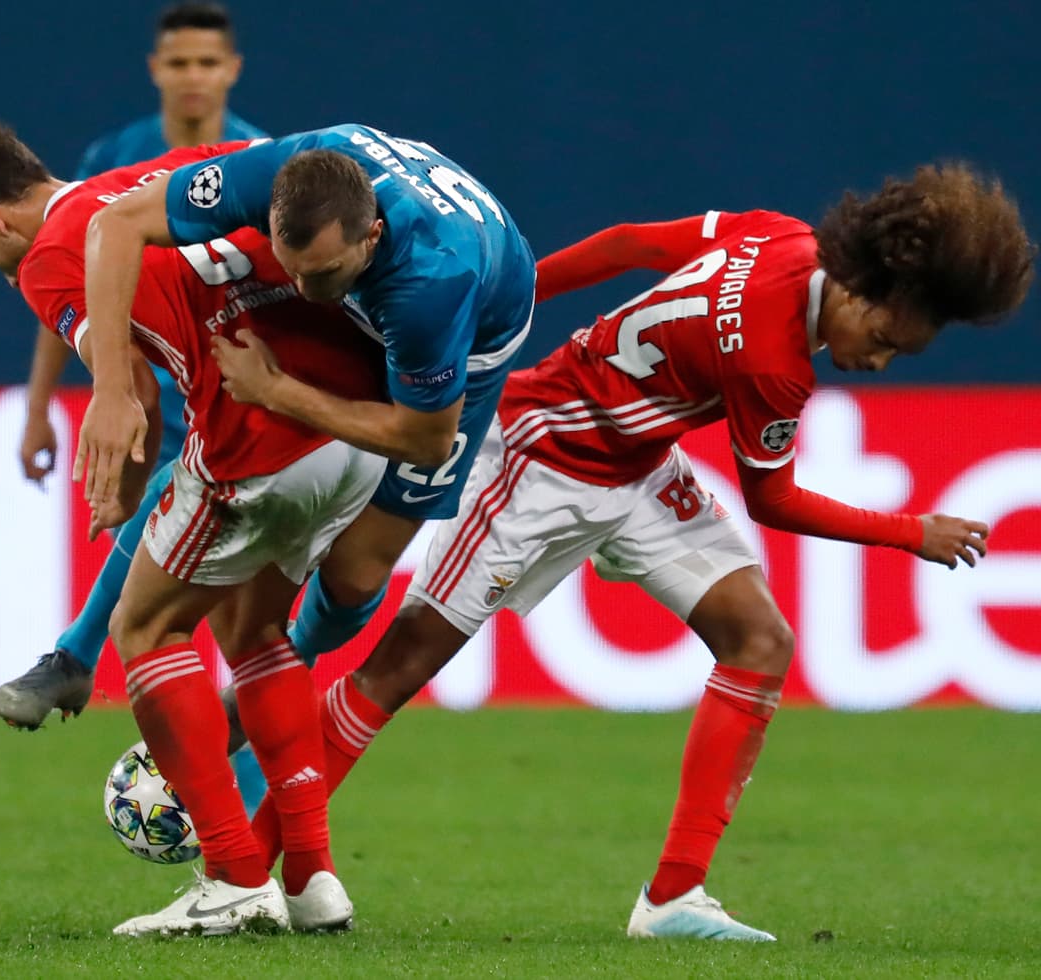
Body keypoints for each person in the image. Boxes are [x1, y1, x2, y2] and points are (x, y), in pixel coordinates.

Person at [242, 164, 1035, 940]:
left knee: (759, 641)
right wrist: (911, 533)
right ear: (863, 293)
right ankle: (247, 869)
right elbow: (775, 500)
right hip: (540, 454)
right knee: (396, 670)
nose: (880, 360)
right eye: (888, 339)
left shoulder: (776, 235)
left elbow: (625, 244)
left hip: (638, 463)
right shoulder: (775, 357)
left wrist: (516, 302)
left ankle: (674, 898)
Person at [0, 122, 390, 935]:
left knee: (143, 630)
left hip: (262, 435)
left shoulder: (48, 257)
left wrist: (124, 490)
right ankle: (313, 876)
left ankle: (235, 874)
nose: (0, 276)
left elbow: (129, 390)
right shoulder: (159, 174)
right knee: (255, 637)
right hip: (356, 429)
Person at [72, 123, 536, 668]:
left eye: (321, 274)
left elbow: (426, 441)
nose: (301, 291)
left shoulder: (430, 288)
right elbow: (115, 223)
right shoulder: (281, 173)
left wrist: (277, 391)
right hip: (384, 282)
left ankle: (272, 691)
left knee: (355, 575)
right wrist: (111, 389)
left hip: (478, 332)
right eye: (288, 267)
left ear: (371, 236)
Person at [0, 1, 268, 811]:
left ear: (230, 71)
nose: (192, 78)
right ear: (156, 70)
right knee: (205, 620)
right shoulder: (115, 157)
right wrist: (42, 408)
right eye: (178, 63)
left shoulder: (252, 152)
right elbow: (64, 296)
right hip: (151, 399)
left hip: (223, 396)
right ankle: (247, 830)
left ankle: (76, 657)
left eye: (206, 64)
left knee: (225, 620)